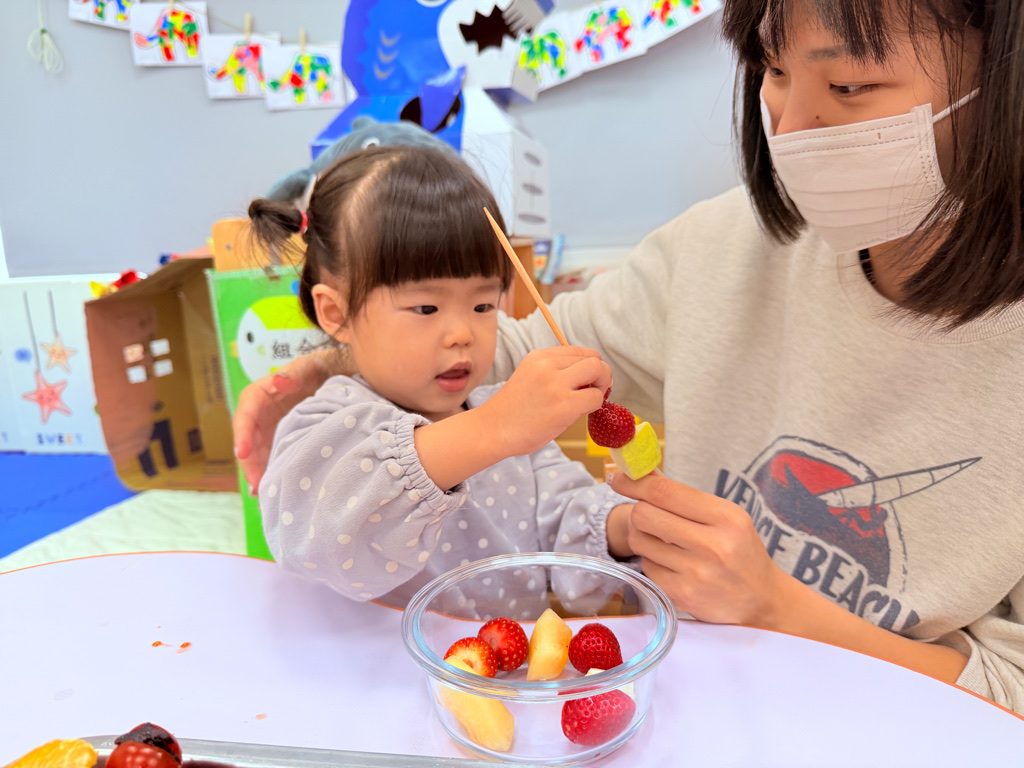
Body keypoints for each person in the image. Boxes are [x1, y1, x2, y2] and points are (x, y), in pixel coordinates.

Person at [234, 0, 1024, 712]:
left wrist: (644, 540)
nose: (786, 130)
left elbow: (564, 517)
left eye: (849, 86)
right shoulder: (717, 251)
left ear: (1000, 75)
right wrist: (334, 363)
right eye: (774, 72)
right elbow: (496, 371)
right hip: (395, 697)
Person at [246, 145, 635, 612]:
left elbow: (563, 522)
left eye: (483, 305)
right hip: (380, 658)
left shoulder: (508, 422)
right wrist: (494, 428)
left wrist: (628, 528)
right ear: (336, 312)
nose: (462, 334)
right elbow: (315, 537)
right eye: (426, 307)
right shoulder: (327, 423)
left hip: (505, 658)